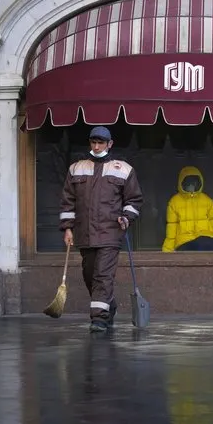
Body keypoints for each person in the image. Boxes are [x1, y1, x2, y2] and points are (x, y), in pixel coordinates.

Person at [59, 126, 143, 333]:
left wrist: (127, 216)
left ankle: (99, 320)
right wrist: (67, 228)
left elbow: (134, 199)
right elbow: (67, 201)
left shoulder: (123, 169)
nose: (96, 147)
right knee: (89, 275)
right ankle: (109, 304)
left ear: (109, 144)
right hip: (84, 233)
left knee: (102, 276)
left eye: (101, 143)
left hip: (110, 232)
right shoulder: (76, 168)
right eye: (93, 142)